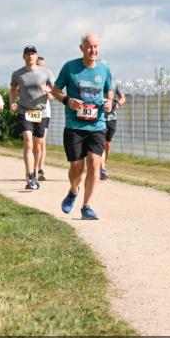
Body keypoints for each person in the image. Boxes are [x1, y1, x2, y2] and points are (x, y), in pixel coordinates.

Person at [50, 33, 114, 220]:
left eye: (96, 46)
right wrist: (68, 100)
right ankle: (73, 190)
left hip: (97, 125)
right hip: (74, 126)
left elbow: (109, 91)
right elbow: (55, 90)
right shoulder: (70, 67)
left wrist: (110, 102)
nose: (93, 50)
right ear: (81, 48)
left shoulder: (104, 69)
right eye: (89, 47)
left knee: (94, 164)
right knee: (77, 168)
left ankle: (86, 206)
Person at [9, 46, 52, 191]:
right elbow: (13, 89)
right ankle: (30, 175)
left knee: (38, 145)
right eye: (27, 54)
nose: (30, 56)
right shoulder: (17, 74)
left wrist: (48, 92)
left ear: (36, 56)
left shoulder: (46, 73)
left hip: (41, 112)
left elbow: (54, 93)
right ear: (23, 57)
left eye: (32, 54)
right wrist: (12, 103)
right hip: (24, 111)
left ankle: (34, 170)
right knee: (28, 142)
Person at [99, 76, 126, 180]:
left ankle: (102, 165)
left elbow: (123, 97)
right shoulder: (95, 81)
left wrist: (118, 104)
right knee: (100, 143)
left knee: (107, 144)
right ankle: (102, 169)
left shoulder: (115, 82)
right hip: (99, 118)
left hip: (111, 118)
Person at [35, 54, 57, 182]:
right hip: (31, 111)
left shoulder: (48, 77)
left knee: (42, 142)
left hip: (44, 112)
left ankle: (40, 170)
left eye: (43, 66)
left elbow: (53, 96)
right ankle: (32, 169)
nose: (42, 69)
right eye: (39, 66)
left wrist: (47, 92)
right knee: (33, 143)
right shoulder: (28, 77)